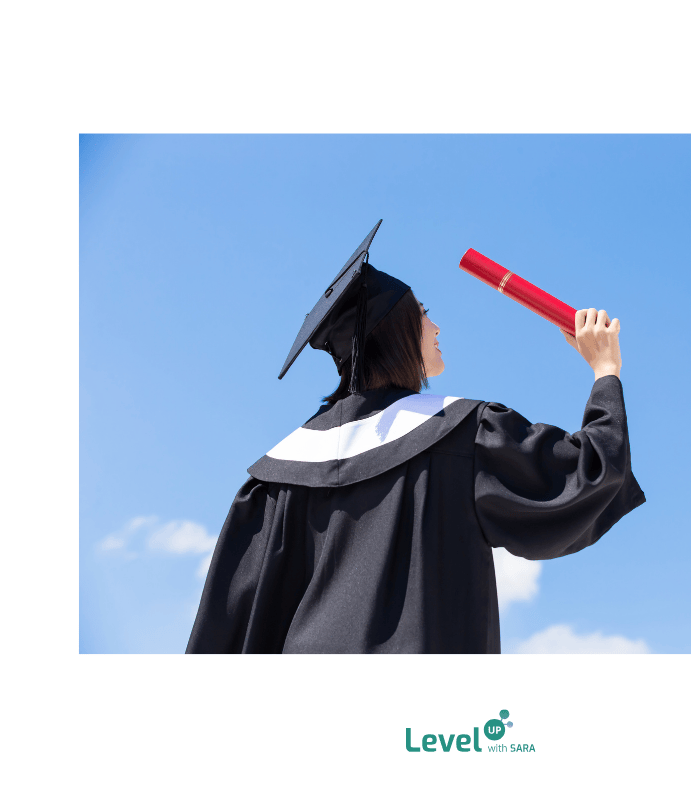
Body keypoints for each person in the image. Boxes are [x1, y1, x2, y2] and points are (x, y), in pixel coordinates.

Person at [186, 221, 645, 653]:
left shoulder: (276, 480)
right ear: (399, 331)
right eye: (425, 314)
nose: (437, 327)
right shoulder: (465, 434)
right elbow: (586, 476)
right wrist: (605, 370)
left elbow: (226, 634)